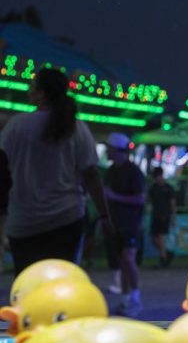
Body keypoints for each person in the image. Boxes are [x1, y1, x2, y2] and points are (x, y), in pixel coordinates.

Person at [0, 68, 112, 275]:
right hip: (66, 218)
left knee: (27, 284)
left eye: (32, 86)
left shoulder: (16, 126)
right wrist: (105, 215)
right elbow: (91, 176)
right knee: (62, 281)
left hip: (24, 221)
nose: (28, 90)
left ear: (41, 93)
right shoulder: (77, 128)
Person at [103, 133, 145, 316]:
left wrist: (115, 197)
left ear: (116, 150)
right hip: (116, 222)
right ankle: (126, 298)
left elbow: (140, 199)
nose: (107, 152)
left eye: (109, 149)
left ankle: (136, 297)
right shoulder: (111, 171)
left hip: (130, 223)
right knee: (122, 261)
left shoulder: (133, 171)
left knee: (128, 258)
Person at [147, 166, 176, 267]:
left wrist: (173, 217)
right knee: (154, 240)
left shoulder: (168, 188)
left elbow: (172, 203)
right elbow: (148, 201)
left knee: (161, 237)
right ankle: (167, 253)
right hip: (155, 215)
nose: (157, 178)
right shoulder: (153, 188)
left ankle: (163, 259)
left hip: (164, 215)